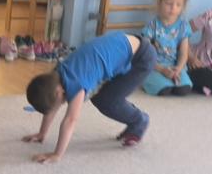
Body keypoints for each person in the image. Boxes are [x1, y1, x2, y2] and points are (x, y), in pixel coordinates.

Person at [23, 31, 156, 158]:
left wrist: (57, 154)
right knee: (99, 99)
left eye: (60, 102)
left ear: (59, 92)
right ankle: (135, 120)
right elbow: (52, 106)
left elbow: (70, 120)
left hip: (141, 59)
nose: (62, 103)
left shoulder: (77, 83)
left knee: (108, 102)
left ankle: (139, 121)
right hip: (124, 47)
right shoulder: (55, 76)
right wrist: (42, 133)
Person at [140, 0, 192, 97]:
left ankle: (171, 78)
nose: (173, 8)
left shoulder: (183, 26)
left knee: (184, 89)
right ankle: (150, 81)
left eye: (178, 5)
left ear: (183, 7)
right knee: (164, 90)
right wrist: (162, 70)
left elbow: (184, 53)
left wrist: (178, 68)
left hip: (174, 65)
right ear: (160, 2)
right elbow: (145, 55)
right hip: (154, 66)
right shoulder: (152, 26)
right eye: (169, 3)